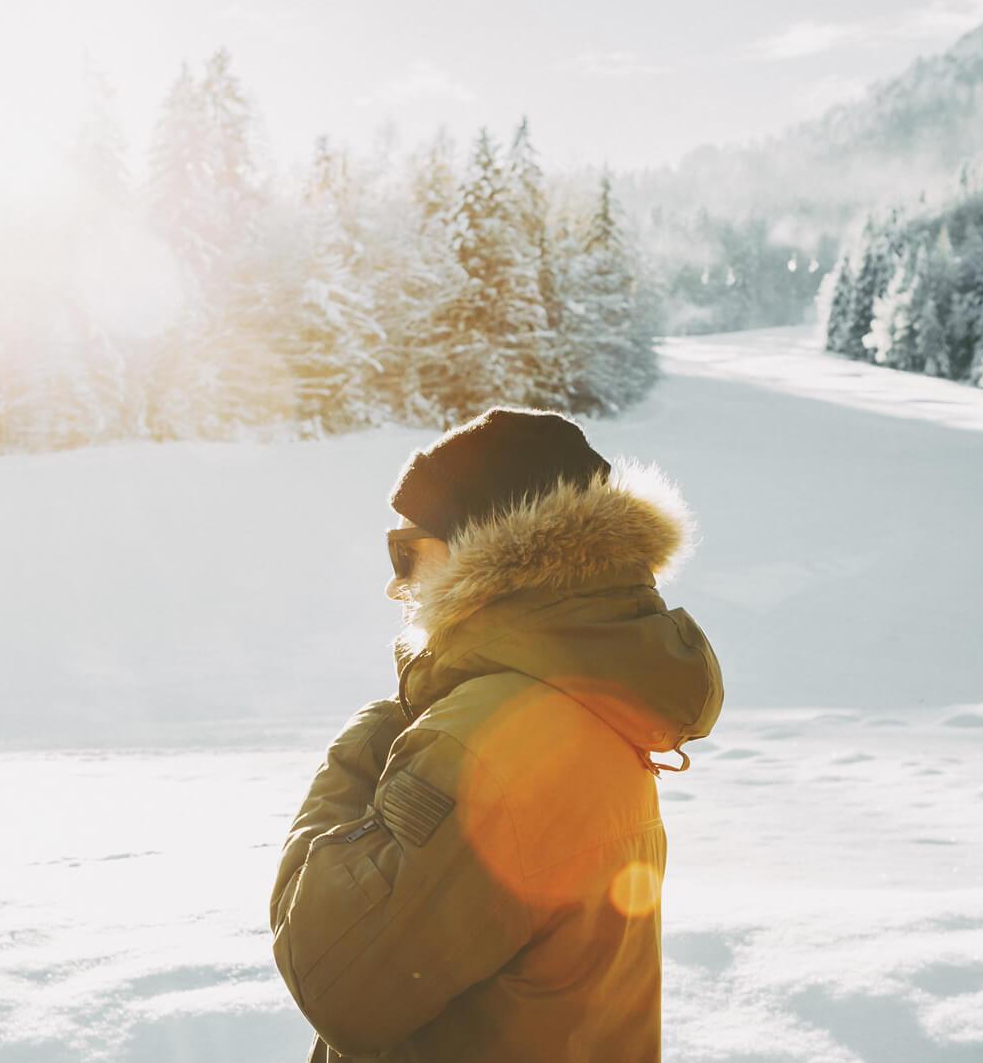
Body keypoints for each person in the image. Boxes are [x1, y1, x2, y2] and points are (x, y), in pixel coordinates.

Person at [268, 406, 724, 1062]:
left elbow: (333, 976)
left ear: (483, 545)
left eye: (406, 551)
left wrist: (365, 743)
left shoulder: (486, 738)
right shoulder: (584, 703)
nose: (394, 581)